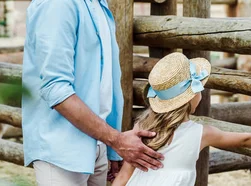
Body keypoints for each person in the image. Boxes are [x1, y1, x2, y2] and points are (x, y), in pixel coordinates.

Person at [111, 53, 251, 186]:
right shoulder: (200, 133)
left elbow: (123, 177)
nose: (202, 92)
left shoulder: (141, 128)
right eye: (199, 89)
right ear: (190, 98)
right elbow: (246, 138)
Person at [22, 0, 163, 185]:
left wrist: (111, 149)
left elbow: (106, 81)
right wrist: (117, 141)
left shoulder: (99, 4)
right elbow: (55, 88)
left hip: (99, 144)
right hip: (62, 150)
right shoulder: (58, 4)